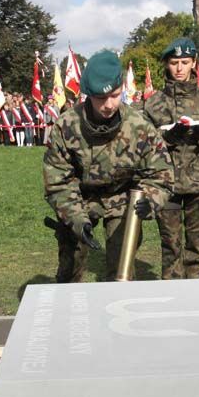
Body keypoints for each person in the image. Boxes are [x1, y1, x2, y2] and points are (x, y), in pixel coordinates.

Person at [43, 50, 174, 283]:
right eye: (100, 99)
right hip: (79, 198)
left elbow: (161, 172)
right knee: (70, 268)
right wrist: (76, 219)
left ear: (122, 88)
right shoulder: (66, 126)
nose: (109, 105)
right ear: (88, 95)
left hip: (123, 199)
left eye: (115, 95)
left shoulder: (139, 126)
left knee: (122, 271)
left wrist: (151, 200)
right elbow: (58, 182)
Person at [143, 37, 199, 279]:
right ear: (166, 64)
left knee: (197, 252)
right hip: (167, 185)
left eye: (185, 62)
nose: (180, 68)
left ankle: (198, 298)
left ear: (194, 63)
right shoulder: (153, 104)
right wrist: (168, 139)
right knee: (170, 249)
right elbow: (140, 147)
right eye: (174, 62)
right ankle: (172, 300)